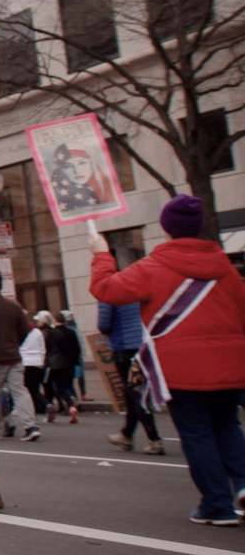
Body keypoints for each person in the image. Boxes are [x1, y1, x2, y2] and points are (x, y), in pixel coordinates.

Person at [90, 195, 245, 525]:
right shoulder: (226, 269)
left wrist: (101, 253)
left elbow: (106, 289)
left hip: (182, 366)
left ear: (166, 228)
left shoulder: (152, 267)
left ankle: (217, 505)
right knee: (228, 425)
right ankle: (242, 486)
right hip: (232, 363)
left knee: (198, 433)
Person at [101, 281, 166, 455]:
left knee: (136, 393)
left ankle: (154, 439)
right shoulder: (136, 287)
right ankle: (126, 435)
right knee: (132, 391)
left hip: (123, 347)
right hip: (143, 345)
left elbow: (104, 325)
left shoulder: (107, 292)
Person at [0, 274, 40, 443]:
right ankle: (30, 426)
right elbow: (24, 330)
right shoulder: (14, 306)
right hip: (13, 356)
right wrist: (15, 344)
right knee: (20, 391)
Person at [42, 309, 82, 422]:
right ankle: (71, 405)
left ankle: (53, 410)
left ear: (54, 320)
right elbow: (76, 348)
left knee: (51, 387)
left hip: (54, 363)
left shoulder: (51, 333)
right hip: (69, 363)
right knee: (64, 386)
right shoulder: (70, 332)